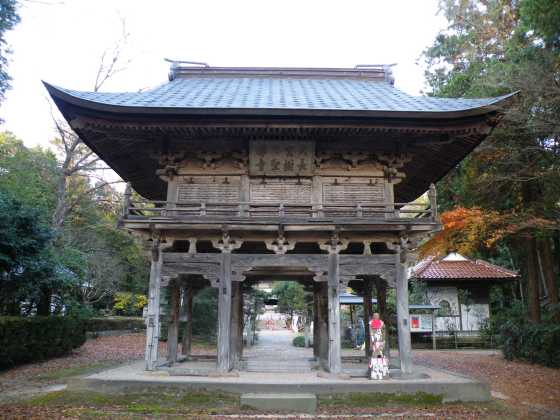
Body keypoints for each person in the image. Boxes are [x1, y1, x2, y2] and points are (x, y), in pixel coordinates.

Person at [368, 313, 389, 380]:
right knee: (374, 354)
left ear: (379, 316)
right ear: (373, 316)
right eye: (374, 315)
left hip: (380, 340)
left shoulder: (381, 323)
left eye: (377, 315)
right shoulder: (371, 323)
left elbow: (384, 332)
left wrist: (383, 340)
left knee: (380, 354)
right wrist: (371, 342)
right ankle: (374, 371)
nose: (376, 316)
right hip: (374, 340)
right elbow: (370, 332)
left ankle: (382, 370)